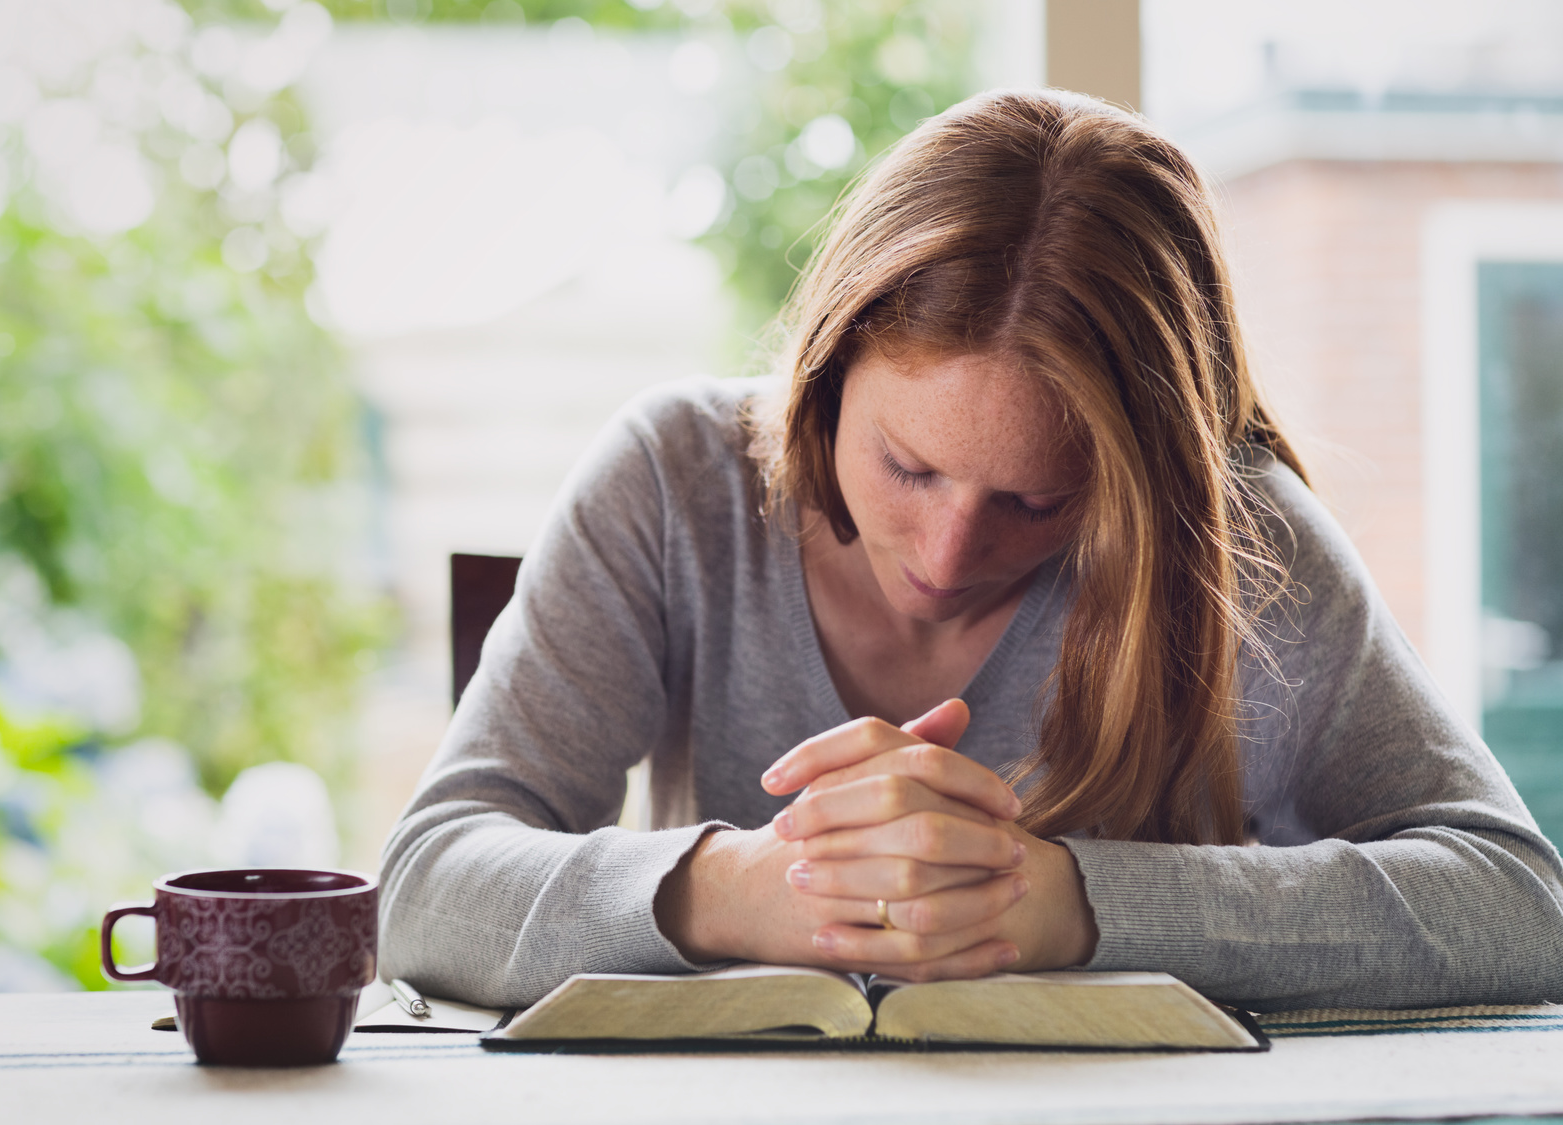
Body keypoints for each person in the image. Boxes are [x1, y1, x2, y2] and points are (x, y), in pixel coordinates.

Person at [378, 90, 1563, 1011]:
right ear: (826, 373)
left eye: (1039, 502)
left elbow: (1518, 908)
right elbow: (424, 890)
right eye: (907, 468)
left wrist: (1072, 906)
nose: (948, 554)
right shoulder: (672, 479)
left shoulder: (1230, 540)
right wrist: (743, 891)